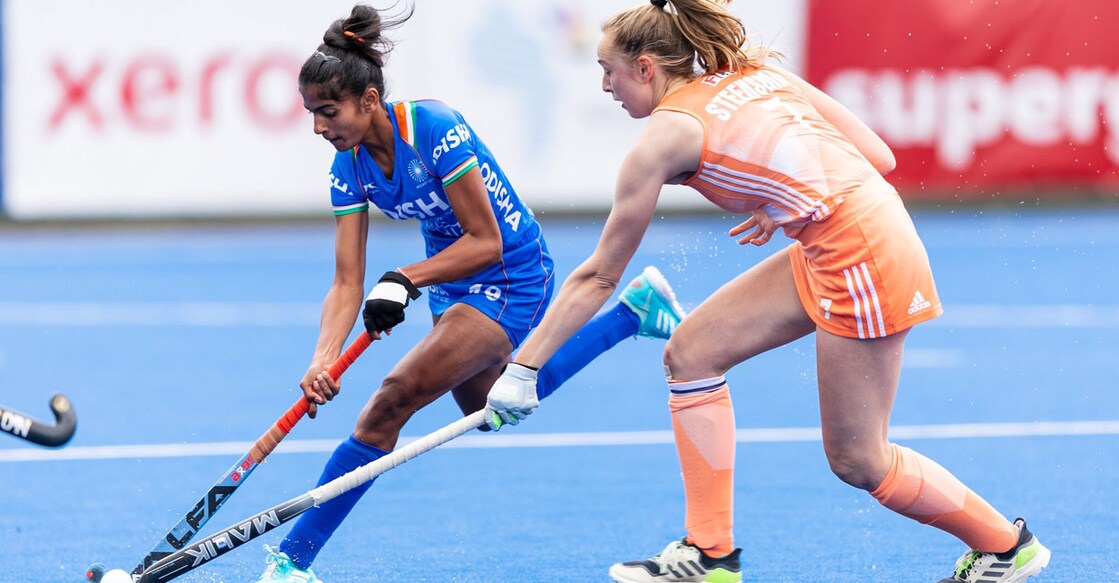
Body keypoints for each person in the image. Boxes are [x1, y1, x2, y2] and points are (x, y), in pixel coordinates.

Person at [483, 1, 1051, 582]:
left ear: (648, 67)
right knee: (691, 352)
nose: (605, 85)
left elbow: (600, 275)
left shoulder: (662, 140)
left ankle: (1006, 547)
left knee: (859, 459)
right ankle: (710, 554)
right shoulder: (757, 73)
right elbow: (876, 156)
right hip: (844, 236)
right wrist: (783, 202)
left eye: (610, 71)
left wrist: (524, 368)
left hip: (859, 257)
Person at [254, 4, 689, 582]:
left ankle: (291, 562)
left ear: (369, 101)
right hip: (455, 280)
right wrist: (322, 359)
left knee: (392, 399)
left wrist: (407, 277)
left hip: (511, 271)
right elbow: (345, 281)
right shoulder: (348, 167)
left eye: (327, 111)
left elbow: (485, 240)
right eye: (311, 114)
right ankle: (633, 314)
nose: (318, 127)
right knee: (488, 409)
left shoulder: (433, 128)